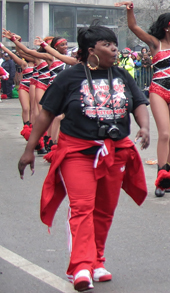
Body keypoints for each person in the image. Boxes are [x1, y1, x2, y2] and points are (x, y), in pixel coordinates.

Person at [18, 23, 150, 291]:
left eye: (114, 44)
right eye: (107, 44)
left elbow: (138, 104)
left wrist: (145, 127)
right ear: (91, 51)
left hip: (114, 151)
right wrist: (29, 148)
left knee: (104, 210)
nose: (114, 49)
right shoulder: (69, 77)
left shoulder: (122, 74)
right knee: (81, 208)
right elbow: (46, 113)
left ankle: (97, 260)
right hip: (77, 151)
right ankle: (80, 267)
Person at [115, 3, 170, 197]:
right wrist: (130, 10)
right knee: (163, 133)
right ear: (166, 27)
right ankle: (161, 176)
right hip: (158, 91)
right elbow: (134, 27)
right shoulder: (155, 44)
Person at [1, 44, 35, 140]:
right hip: (24, 87)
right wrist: (4, 45)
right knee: (25, 108)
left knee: (33, 109)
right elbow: (13, 54)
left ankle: (32, 128)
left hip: (36, 87)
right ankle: (26, 128)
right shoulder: (24, 64)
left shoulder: (41, 65)